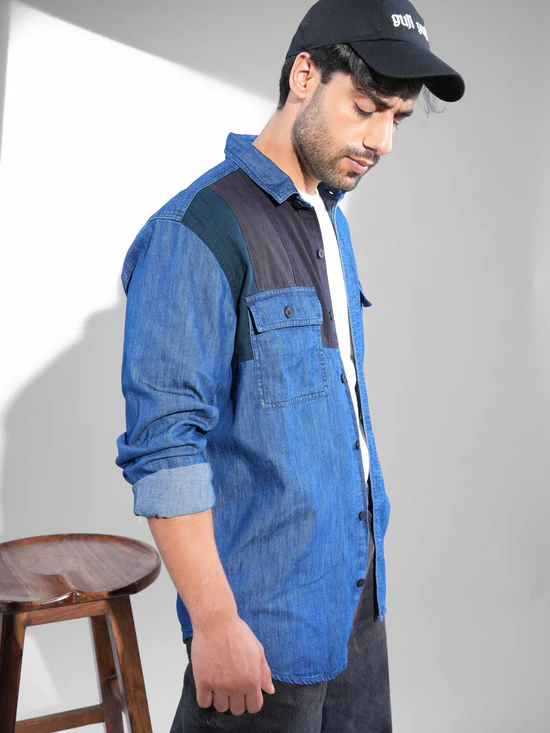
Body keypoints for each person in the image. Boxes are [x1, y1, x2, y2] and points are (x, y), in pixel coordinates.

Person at [115, 0, 464, 729]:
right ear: (305, 75)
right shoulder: (196, 232)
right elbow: (165, 447)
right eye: (366, 108)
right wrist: (215, 622)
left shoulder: (330, 218)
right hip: (261, 623)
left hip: (356, 598)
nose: (382, 141)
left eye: (397, 118)